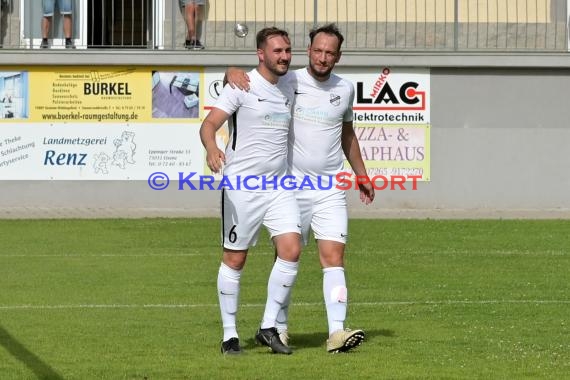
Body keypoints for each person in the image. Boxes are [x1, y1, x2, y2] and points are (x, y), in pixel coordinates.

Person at [226, 23, 375, 353]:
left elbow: (346, 134)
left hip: (330, 187)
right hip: (291, 186)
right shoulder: (288, 80)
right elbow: (249, 81)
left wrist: (361, 174)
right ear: (309, 51)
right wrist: (230, 70)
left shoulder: (345, 89)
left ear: (338, 55)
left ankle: (336, 333)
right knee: (287, 255)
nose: (323, 58)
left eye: (330, 53)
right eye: (318, 51)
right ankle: (278, 327)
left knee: (334, 257)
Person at [200, 27, 301, 355]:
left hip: (279, 186)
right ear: (261, 54)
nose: (284, 56)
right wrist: (211, 148)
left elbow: (321, 73)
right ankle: (230, 335)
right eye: (277, 51)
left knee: (292, 249)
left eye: (287, 50)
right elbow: (209, 125)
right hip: (242, 187)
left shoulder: (291, 83)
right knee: (235, 257)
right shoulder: (241, 86)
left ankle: (268, 327)